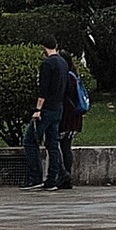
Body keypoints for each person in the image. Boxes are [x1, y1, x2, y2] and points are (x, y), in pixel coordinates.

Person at [30, 44, 78, 192]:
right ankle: (62, 175)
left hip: (62, 113)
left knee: (48, 143)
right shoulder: (71, 74)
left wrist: (39, 108)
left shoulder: (58, 71)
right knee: (60, 145)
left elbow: (48, 90)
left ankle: (61, 175)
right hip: (69, 114)